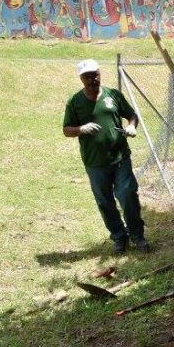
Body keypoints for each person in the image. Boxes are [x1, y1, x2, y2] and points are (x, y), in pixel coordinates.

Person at [63, 59, 151, 254]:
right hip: (95, 162)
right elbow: (66, 130)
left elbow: (131, 114)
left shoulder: (113, 95)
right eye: (87, 77)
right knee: (105, 201)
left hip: (120, 157)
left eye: (95, 75)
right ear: (81, 79)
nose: (92, 79)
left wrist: (131, 126)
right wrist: (81, 129)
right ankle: (119, 238)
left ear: (100, 74)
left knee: (127, 194)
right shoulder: (75, 102)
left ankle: (137, 236)